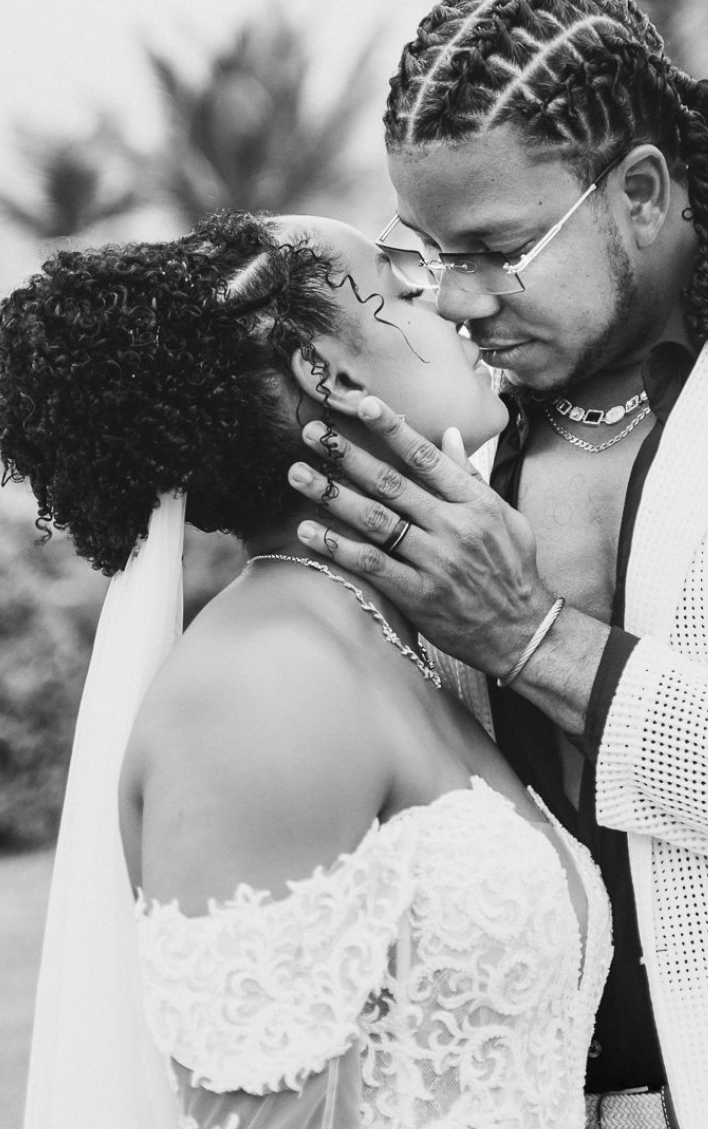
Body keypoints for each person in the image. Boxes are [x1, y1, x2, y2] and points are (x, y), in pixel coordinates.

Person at [287, 0, 708, 1129]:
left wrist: (538, 642)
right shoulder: (455, 428)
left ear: (640, 191)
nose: (456, 300)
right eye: (426, 252)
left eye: (496, 248)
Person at [0, 211, 613, 1129]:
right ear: (327, 374)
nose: (451, 302)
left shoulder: (383, 638)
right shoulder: (263, 689)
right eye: (404, 283)